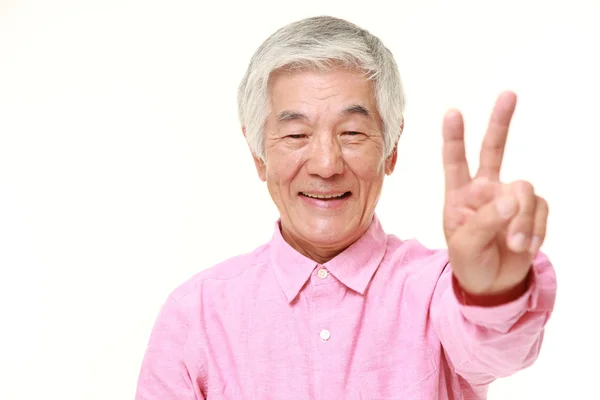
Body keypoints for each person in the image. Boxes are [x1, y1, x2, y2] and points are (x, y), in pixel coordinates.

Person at [135, 15, 557, 399]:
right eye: (296, 135)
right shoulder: (196, 314)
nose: (325, 164)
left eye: (352, 133)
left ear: (391, 149)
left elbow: (498, 352)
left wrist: (493, 293)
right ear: (257, 154)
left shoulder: (440, 290)